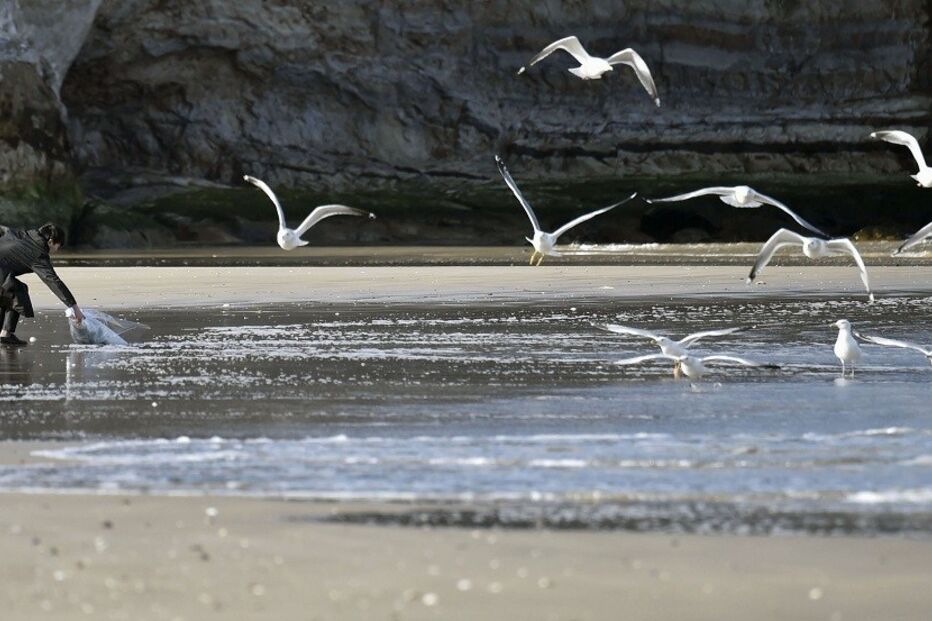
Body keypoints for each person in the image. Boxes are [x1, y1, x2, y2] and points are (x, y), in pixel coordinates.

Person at [0, 223, 85, 346]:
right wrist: (74, 308)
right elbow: (52, 280)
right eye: (58, 246)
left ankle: (3, 334)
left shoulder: (19, 234)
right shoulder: (37, 252)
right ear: (50, 241)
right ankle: (5, 335)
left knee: (10, 290)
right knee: (16, 292)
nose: (57, 250)